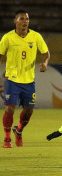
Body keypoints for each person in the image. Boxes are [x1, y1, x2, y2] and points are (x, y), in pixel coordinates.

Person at [0, 10, 50, 148]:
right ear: (15, 21)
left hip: (29, 80)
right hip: (12, 79)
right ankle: (7, 139)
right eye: (22, 19)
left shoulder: (35, 36)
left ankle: (19, 131)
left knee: (29, 110)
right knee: (10, 108)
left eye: (27, 19)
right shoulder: (7, 38)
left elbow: (46, 53)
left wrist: (45, 63)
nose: (25, 21)